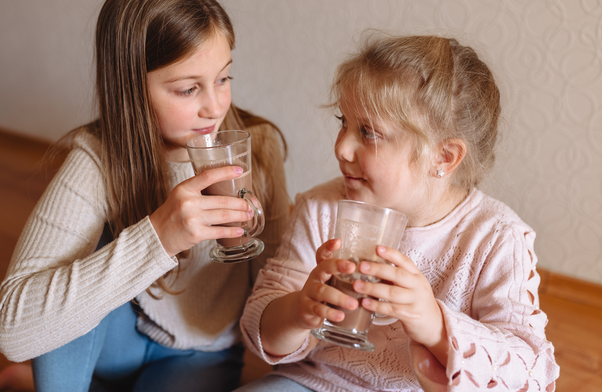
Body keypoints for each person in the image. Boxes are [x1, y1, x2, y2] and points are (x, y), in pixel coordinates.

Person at [0, 0, 290, 392]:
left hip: (199, 351)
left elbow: (277, 292)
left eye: (223, 78)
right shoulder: (97, 158)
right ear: (131, 88)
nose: (215, 107)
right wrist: (161, 235)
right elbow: (13, 330)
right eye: (188, 89)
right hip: (116, 336)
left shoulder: (259, 148)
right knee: (71, 279)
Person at [236, 34, 560, 391]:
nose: (342, 147)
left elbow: (531, 374)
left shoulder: (497, 238)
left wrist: (435, 324)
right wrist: (300, 309)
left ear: (444, 157)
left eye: (368, 133)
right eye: (343, 121)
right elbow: (258, 328)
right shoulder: (321, 209)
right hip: (317, 383)